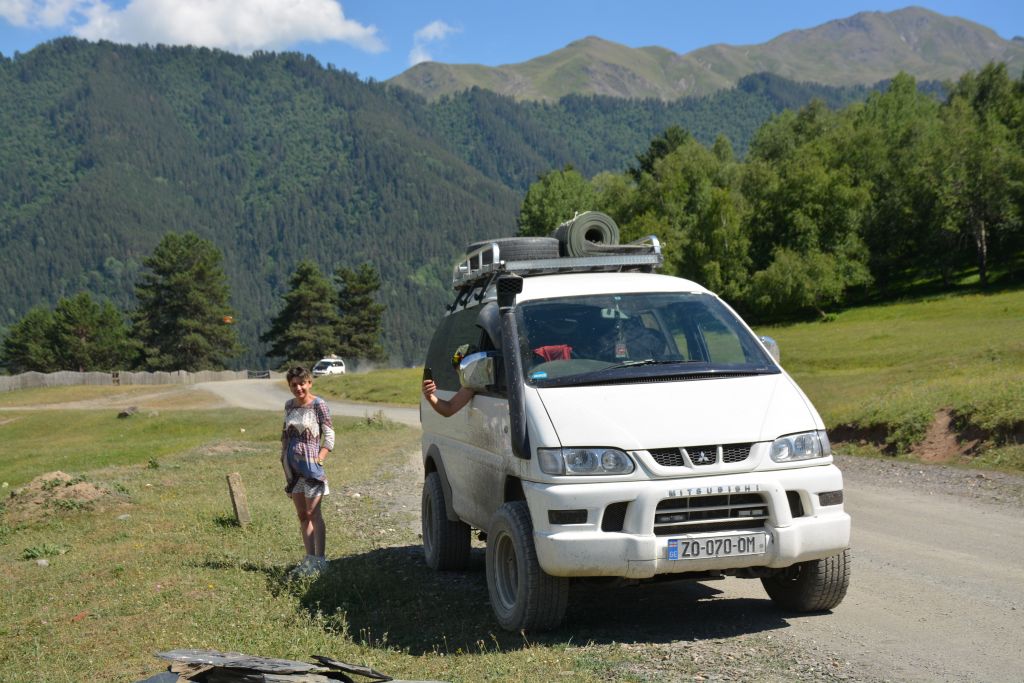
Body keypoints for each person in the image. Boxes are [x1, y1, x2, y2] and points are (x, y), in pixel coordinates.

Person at [280, 366, 335, 577]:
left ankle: (320, 560)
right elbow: (284, 433)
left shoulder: (319, 405)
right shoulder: (288, 406)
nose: (298, 388)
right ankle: (309, 559)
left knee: (314, 513)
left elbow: (329, 436)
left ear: (309, 383)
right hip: (292, 469)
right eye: (294, 385)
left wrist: (319, 459)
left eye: (302, 383)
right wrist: (283, 456)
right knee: (302, 515)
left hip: (312, 468)